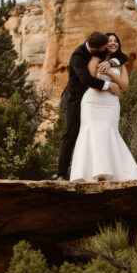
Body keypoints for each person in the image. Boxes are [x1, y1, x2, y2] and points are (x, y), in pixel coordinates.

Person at [69, 32, 137, 182]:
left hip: (111, 105)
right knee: (92, 132)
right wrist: (109, 85)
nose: (112, 43)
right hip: (93, 102)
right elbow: (91, 81)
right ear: (103, 45)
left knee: (110, 133)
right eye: (109, 41)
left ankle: (116, 173)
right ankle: (89, 174)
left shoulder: (120, 63)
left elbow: (123, 86)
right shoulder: (95, 58)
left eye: (115, 41)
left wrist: (109, 71)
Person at [55, 31, 120, 180]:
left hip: (93, 102)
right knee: (71, 133)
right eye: (104, 48)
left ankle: (91, 171)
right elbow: (86, 80)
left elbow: (121, 56)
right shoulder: (78, 56)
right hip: (74, 98)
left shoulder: (100, 47)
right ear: (96, 49)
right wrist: (108, 85)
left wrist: (109, 62)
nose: (107, 49)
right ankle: (60, 175)